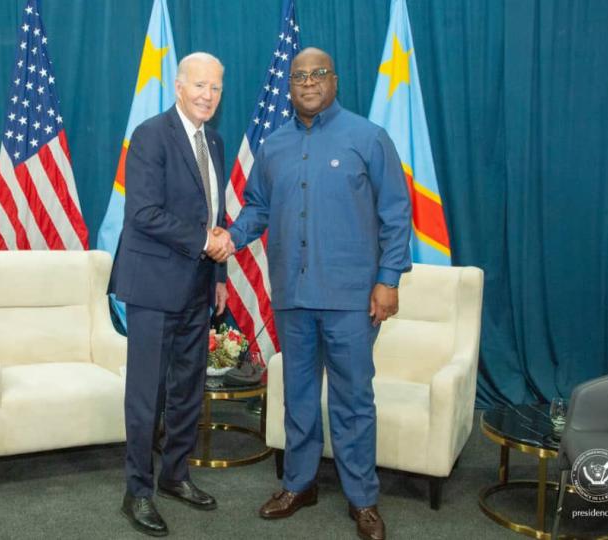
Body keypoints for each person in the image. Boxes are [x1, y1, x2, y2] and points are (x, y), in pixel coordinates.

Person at [228, 47, 411, 540]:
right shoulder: (274, 146)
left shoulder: (368, 138)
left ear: (334, 79)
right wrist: (229, 237)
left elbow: (396, 213)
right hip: (292, 295)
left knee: (353, 400)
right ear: (289, 86)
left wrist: (389, 279)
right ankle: (300, 483)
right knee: (299, 397)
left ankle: (364, 500)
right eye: (298, 76)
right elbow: (257, 208)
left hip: (353, 298)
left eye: (317, 74)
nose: (307, 82)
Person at [111, 52, 233, 537]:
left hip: (198, 288)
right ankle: (136, 491)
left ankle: (175, 476)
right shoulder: (150, 135)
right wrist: (207, 241)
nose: (207, 95)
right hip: (153, 288)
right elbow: (143, 213)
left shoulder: (216, 141)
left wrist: (219, 276)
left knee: (187, 392)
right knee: (147, 396)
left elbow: (212, 213)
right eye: (199, 86)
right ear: (178, 86)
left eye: (216, 88)